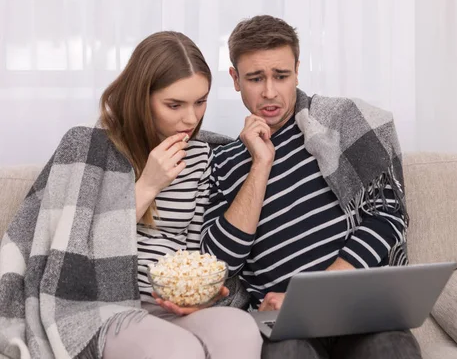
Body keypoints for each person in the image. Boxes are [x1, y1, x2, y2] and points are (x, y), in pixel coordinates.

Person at [0, 31, 262, 359]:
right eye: (174, 104)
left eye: (200, 101)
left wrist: (196, 292)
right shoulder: (90, 148)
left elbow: (194, 252)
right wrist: (149, 184)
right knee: (178, 350)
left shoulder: (200, 155)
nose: (191, 118)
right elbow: (75, 252)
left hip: (170, 305)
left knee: (241, 331)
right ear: (142, 97)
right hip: (102, 304)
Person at [198, 15, 422, 358]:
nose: (270, 92)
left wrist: (318, 294)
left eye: (281, 76)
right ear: (235, 79)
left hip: (358, 308)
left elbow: (389, 216)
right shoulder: (221, 163)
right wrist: (260, 164)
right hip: (282, 323)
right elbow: (217, 265)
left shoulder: (339, 125)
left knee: (391, 350)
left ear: (298, 71)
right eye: (255, 78)